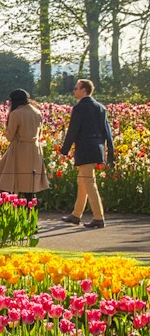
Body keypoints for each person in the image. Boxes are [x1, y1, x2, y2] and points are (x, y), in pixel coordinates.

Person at [60, 78, 114, 229]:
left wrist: (64, 150)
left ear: (83, 90)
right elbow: (106, 132)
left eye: (76, 88)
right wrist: (108, 152)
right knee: (82, 181)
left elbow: (73, 131)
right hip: (97, 148)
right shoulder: (100, 107)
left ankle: (98, 217)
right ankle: (76, 214)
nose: (74, 91)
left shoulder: (79, 108)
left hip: (84, 149)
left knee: (89, 183)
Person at [0, 89, 49, 202]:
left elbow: (10, 136)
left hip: (20, 149)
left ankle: (10, 203)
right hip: (35, 149)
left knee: (9, 175)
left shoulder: (16, 114)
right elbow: (40, 133)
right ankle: (30, 205)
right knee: (30, 181)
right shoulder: (37, 112)